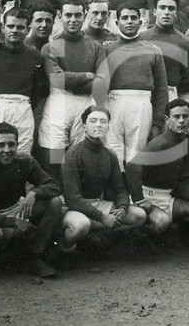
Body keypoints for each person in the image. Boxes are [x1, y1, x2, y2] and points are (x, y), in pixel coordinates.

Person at [0, 122, 63, 277]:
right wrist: (14, 223)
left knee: (55, 202)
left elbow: (54, 185)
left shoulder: (25, 161)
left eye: (11, 145)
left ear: (17, 145)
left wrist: (34, 193)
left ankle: (37, 256)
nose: (7, 150)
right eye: (1, 145)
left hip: (15, 208)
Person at [37, 0, 109, 181]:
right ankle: (56, 194)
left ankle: (76, 197)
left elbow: (103, 82)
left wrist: (77, 85)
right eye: (68, 15)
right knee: (54, 151)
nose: (73, 20)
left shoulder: (94, 47)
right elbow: (58, 80)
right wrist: (88, 75)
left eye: (78, 15)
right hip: (59, 101)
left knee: (81, 152)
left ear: (85, 15)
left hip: (85, 102)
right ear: (60, 16)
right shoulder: (53, 46)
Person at [61, 106, 147, 254]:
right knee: (81, 225)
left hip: (97, 204)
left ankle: (95, 238)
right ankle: (64, 247)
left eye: (103, 121)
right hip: (72, 207)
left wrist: (122, 207)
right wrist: (102, 217)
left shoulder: (110, 155)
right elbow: (72, 198)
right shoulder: (73, 154)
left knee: (139, 216)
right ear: (84, 126)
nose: (98, 125)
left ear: (108, 126)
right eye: (93, 121)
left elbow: (119, 188)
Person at [126, 98, 189, 239]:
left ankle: (173, 234)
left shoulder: (188, 144)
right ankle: (137, 239)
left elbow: (183, 183)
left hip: (167, 197)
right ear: (167, 119)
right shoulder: (160, 144)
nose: (181, 120)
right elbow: (131, 167)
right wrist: (140, 200)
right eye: (176, 117)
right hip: (148, 196)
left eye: (185, 116)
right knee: (161, 222)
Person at [0, 7, 46, 161]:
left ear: (27, 29)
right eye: (11, 26)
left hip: (22, 108)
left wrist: (24, 105)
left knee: (21, 156)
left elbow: (40, 88)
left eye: (20, 27)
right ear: (3, 27)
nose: (15, 30)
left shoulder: (34, 55)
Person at [103, 3, 169, 168]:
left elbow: (161, 89)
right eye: (124, 18)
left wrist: (158, 122)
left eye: (133, 18)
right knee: (112, 151)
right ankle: (116, 192)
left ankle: (134, 192)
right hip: (113, 104)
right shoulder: (107, 50)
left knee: (137, 153)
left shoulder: (153, 50)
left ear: (140, 22)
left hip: (141, 104)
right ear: (117, 23)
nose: (129, 21)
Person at [140, 0, 189, 102]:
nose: (166, 12)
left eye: (171, 9)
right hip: (144, 95)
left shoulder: (185, 42)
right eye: (162, 8)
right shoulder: (141, 38)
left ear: (176, 13)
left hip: (170, 96)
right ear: (155, 11)